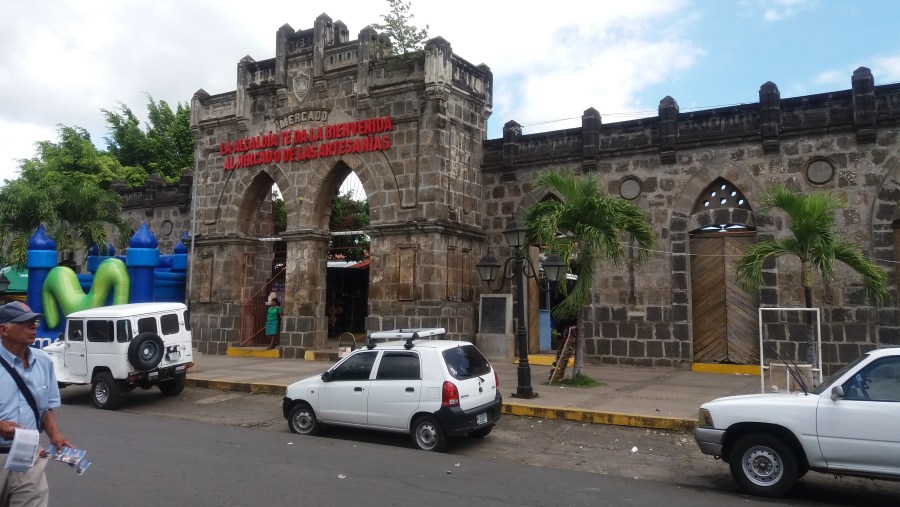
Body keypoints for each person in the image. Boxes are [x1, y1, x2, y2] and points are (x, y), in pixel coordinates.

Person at [0, 301, 71, 506]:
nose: (34, 326)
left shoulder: (44, 361)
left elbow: (45, 407)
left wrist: (55, 435)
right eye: (26, 322)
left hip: (28, 457)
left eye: (35, 321)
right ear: (3, 329)